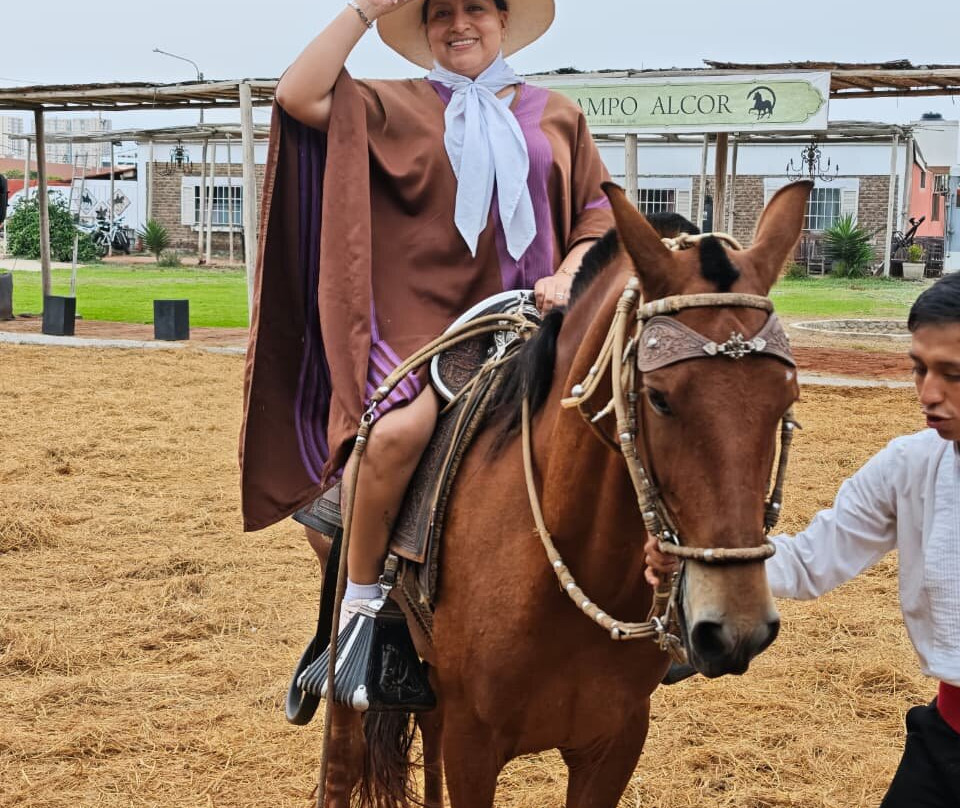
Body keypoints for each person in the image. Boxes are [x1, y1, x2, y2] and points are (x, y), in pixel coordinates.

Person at [239, 0, 615, 631]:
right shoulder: (388, 104)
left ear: (502, 22)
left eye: (475, 10)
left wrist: (572, 272)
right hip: (425, 327)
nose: (459, 24)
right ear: (423, 31)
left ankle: (665, 598)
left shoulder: (558, 112)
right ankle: (361, 607)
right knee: (395, 434)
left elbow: (598, 212)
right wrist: (363, 11)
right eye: (441, 14)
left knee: (647, 416)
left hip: (537, 319)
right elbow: (297, 95)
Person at [644, 272, 960, 807]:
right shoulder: (912, 467)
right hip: (947, 742)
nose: (927, 393)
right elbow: (814, 557)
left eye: (953, 374)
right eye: (919, 368)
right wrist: (705, 561)